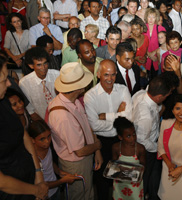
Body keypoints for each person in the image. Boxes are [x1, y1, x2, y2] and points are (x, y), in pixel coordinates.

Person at [48, 62, 103, 200]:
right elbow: (80, 151)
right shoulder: (62, 116)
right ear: (78, 88)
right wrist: (98, 146)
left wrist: (96, 151)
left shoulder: (74, 101)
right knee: (79, 195)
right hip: (76, 164)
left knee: (87, 192)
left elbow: (86, 124)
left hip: (85, 158)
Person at [84, 59, 132, 200]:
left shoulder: (122, 89)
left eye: (113, 75)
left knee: (122, 177)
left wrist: (106, 116)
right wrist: (119, 117)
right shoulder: (90, 96)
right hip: (102, 143)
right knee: (102, 180)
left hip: (120, 140)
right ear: (98, 74)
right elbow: (94, 126)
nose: (110, 79)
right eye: (106, 75)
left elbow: (129, 118)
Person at [0, 55, 47, 199]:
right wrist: (35, 191)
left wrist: (38, 172)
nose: (9, 84)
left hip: (30, 178)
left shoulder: (4, 103)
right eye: (3, 80)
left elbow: (23, 134)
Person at [132, 76, 172, 199]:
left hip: (152, 143)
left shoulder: (142, 95)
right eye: (166, 96)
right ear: (159, 97)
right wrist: (160, 148)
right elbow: (142, 141)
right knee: (144, 180)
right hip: (147, 151)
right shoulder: (145, 116)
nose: (167, 98)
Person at [28, 120, 80, 200]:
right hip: (44, 195)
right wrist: (62, 181)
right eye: (42, 139)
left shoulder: (47, 147)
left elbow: (50, 162)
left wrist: (59, 172)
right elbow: (41, 184)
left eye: (49, 136)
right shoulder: (32, 158)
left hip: (55, 190)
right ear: (32, 140)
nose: (47, 141)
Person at [20, 47, 60, 120]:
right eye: (39, 65)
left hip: (60, 117)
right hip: (40, 119)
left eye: (45, 63)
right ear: (31, 66)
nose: (43, 67)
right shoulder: (24, 83)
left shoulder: (57, 75)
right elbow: (31, 111)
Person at [112, 117, 146, 200]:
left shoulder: (140, 149)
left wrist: (135, 173)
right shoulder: (116, 148)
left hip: (134, 184)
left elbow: (143, 166)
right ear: (120, 137)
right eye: (128, 136)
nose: (133, 138)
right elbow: (113, 165)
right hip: (120, 183)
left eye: (134, 134)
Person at [144, 8, 166, 79]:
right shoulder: (142, 28)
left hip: (157, 57)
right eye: (149, 16)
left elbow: (164, 44)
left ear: (156, 18)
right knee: (145, 79)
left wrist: (154, 52)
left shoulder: (161, 29)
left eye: (153, 17)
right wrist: (149, 54)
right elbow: (140, 43)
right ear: (146, 17)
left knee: (156, 78)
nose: (151, 19)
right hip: (145, 57)